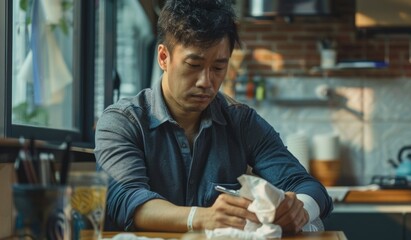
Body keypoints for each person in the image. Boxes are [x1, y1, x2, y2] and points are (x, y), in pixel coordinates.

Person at [94, 0, 333, 233]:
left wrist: (299, 209)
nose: (206, 82)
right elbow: (126, 200)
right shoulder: (122, 122)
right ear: (164, 57)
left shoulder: (241, 122)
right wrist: (202, 217)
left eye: (218, 68)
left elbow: (309, 186)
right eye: (193, 65)